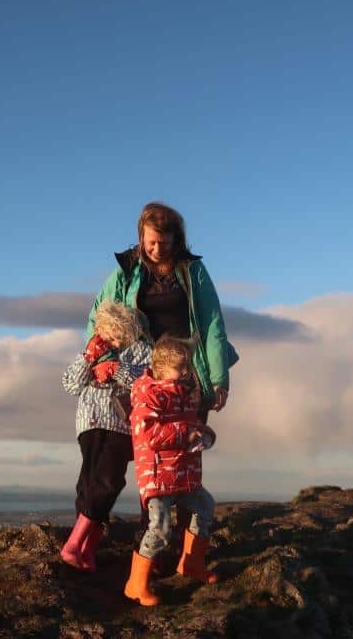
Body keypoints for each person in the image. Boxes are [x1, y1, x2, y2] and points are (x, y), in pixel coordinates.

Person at [85, 201, 238, 567]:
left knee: (185, 461)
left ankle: (187, 559)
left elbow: (213, 324)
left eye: (164, 242)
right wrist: (103, 360)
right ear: (141, 236)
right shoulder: (125, 272)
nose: (157, 249)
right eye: (151, 242)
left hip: (189, 378)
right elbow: (99, 317)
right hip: (143, 382)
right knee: (152, 463)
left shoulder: (193, 271)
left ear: (177, 238)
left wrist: (218, 379)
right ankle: (149, 546)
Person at [123, 337, 218, 606]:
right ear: (162, 367)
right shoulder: (148, 393)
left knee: (204, 506)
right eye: (181, 367)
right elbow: (149, 435)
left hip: (183, 471)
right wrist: (186, 432)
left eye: (188, 365)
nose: (187, 371)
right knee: (161, 528)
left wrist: (204, 433)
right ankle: (136, 584)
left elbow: (192, 422)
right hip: (158, 474)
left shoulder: (185, 390)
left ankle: (191, 564)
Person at [60, 301, 152, 572]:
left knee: (109, 482)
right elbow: (71, 385)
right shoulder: (92, 349)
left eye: (117, 335)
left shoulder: (142, 350)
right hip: (89, 424)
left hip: (120, 426)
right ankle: (86, 552)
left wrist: (116, 370)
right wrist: (88, 358)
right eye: (107, 334)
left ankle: (74, 545)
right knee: (88, 485)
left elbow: (145, 385)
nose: (111, 340)